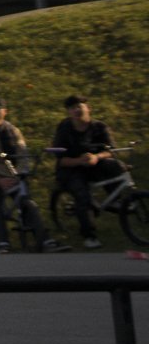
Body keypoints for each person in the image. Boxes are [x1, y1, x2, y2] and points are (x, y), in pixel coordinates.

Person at [0, 98, 66, 254]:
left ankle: (45, 241)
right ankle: (3, 243)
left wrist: (19, 175)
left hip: (11, 174)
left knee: (28, 203)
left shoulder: (13, 131)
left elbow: (23, 155)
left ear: (5, 112)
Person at [51, 95, 118, 250]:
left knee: (116, 165)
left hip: (93, 165)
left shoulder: (99, 127)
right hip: (70, 170)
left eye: (79, 106)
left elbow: (111, 151)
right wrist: (79, 161)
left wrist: (96, 157)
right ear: (68, 112)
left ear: (88, 108)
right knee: (82, 195)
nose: (76, 110)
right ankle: (89, 236)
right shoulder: (64, 129)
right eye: (72, 108)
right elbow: (61, 160)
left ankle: (116, 198)